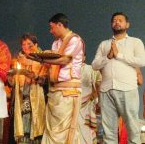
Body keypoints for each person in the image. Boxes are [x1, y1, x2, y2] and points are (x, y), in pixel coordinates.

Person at [28, 13, 84, 144]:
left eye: (52, 27)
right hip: (54, 91)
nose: (50, 31)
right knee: (52, 129)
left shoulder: (75, 40)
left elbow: (64, 59)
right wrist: (41, 59)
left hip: (68, 92)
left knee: (64, 130)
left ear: (60, 25)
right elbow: (52, 61)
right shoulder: (55, 43)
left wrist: (41, 58)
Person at [91, 12, 145, 143]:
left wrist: (118, 55)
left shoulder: (135, 42)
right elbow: (94, 65)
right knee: (109, 132)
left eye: (120, 20)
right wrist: (107, 57)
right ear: (111, 24)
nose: (117, 22)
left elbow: (141, 61)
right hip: (106, 91)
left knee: (132, 129)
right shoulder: (104, 44)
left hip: (127, 89)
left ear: (127, 24)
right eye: (114, 20)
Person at [8, 33, 47, 144]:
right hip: (21, 100)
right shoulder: (17, 61)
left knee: (34, 131)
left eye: (29, 44)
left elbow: (45, 81)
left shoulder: (42, 60)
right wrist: (11, 79)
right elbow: (14, 84)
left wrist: (35, 76)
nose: (26, 47)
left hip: (37, 100)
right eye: (24, 44)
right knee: (22, 130)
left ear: (36, 45)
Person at [78, 56, 101, 144]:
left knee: (86, 128)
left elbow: (99, 84)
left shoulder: (91, 69)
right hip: (70, 104)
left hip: (87, 106)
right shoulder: (68, 69)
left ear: (84, 57)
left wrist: (97, 100)